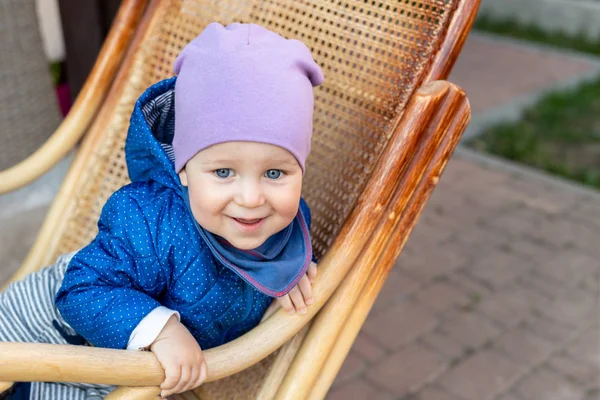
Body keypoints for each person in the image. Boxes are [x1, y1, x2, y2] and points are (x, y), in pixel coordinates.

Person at [0, 21, 324, 399]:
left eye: (275, 172)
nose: (251, 198)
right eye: (223, 172)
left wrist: (293, 267)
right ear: (183, 169)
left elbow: (285, 244)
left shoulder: (289, 220)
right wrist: (163, 331)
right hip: (54, 335)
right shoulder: (149, 218)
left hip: (114, 371)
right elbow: (81, 290)